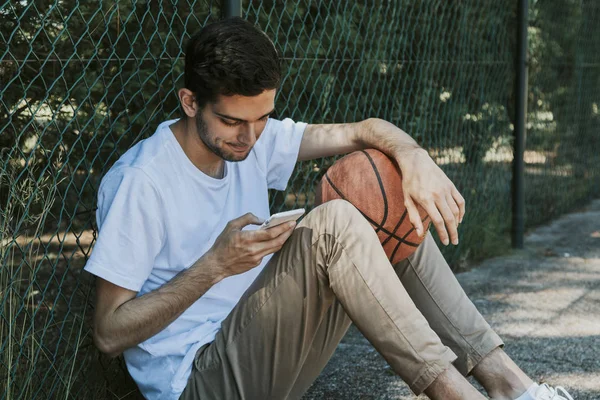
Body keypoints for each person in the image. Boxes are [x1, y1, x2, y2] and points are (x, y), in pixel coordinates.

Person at [85, 17, 574, 400]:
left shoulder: (251, 138)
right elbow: (109, 333)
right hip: (200, 382)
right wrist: (214, 266)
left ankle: (513, 385)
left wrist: (413, 157)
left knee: (382, 201)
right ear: (190, 102)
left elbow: (360, 130)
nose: (250, 137)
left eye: (262, 119)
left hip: (267, 349)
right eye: (234, 121)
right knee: (338, 221)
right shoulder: (141, 183)